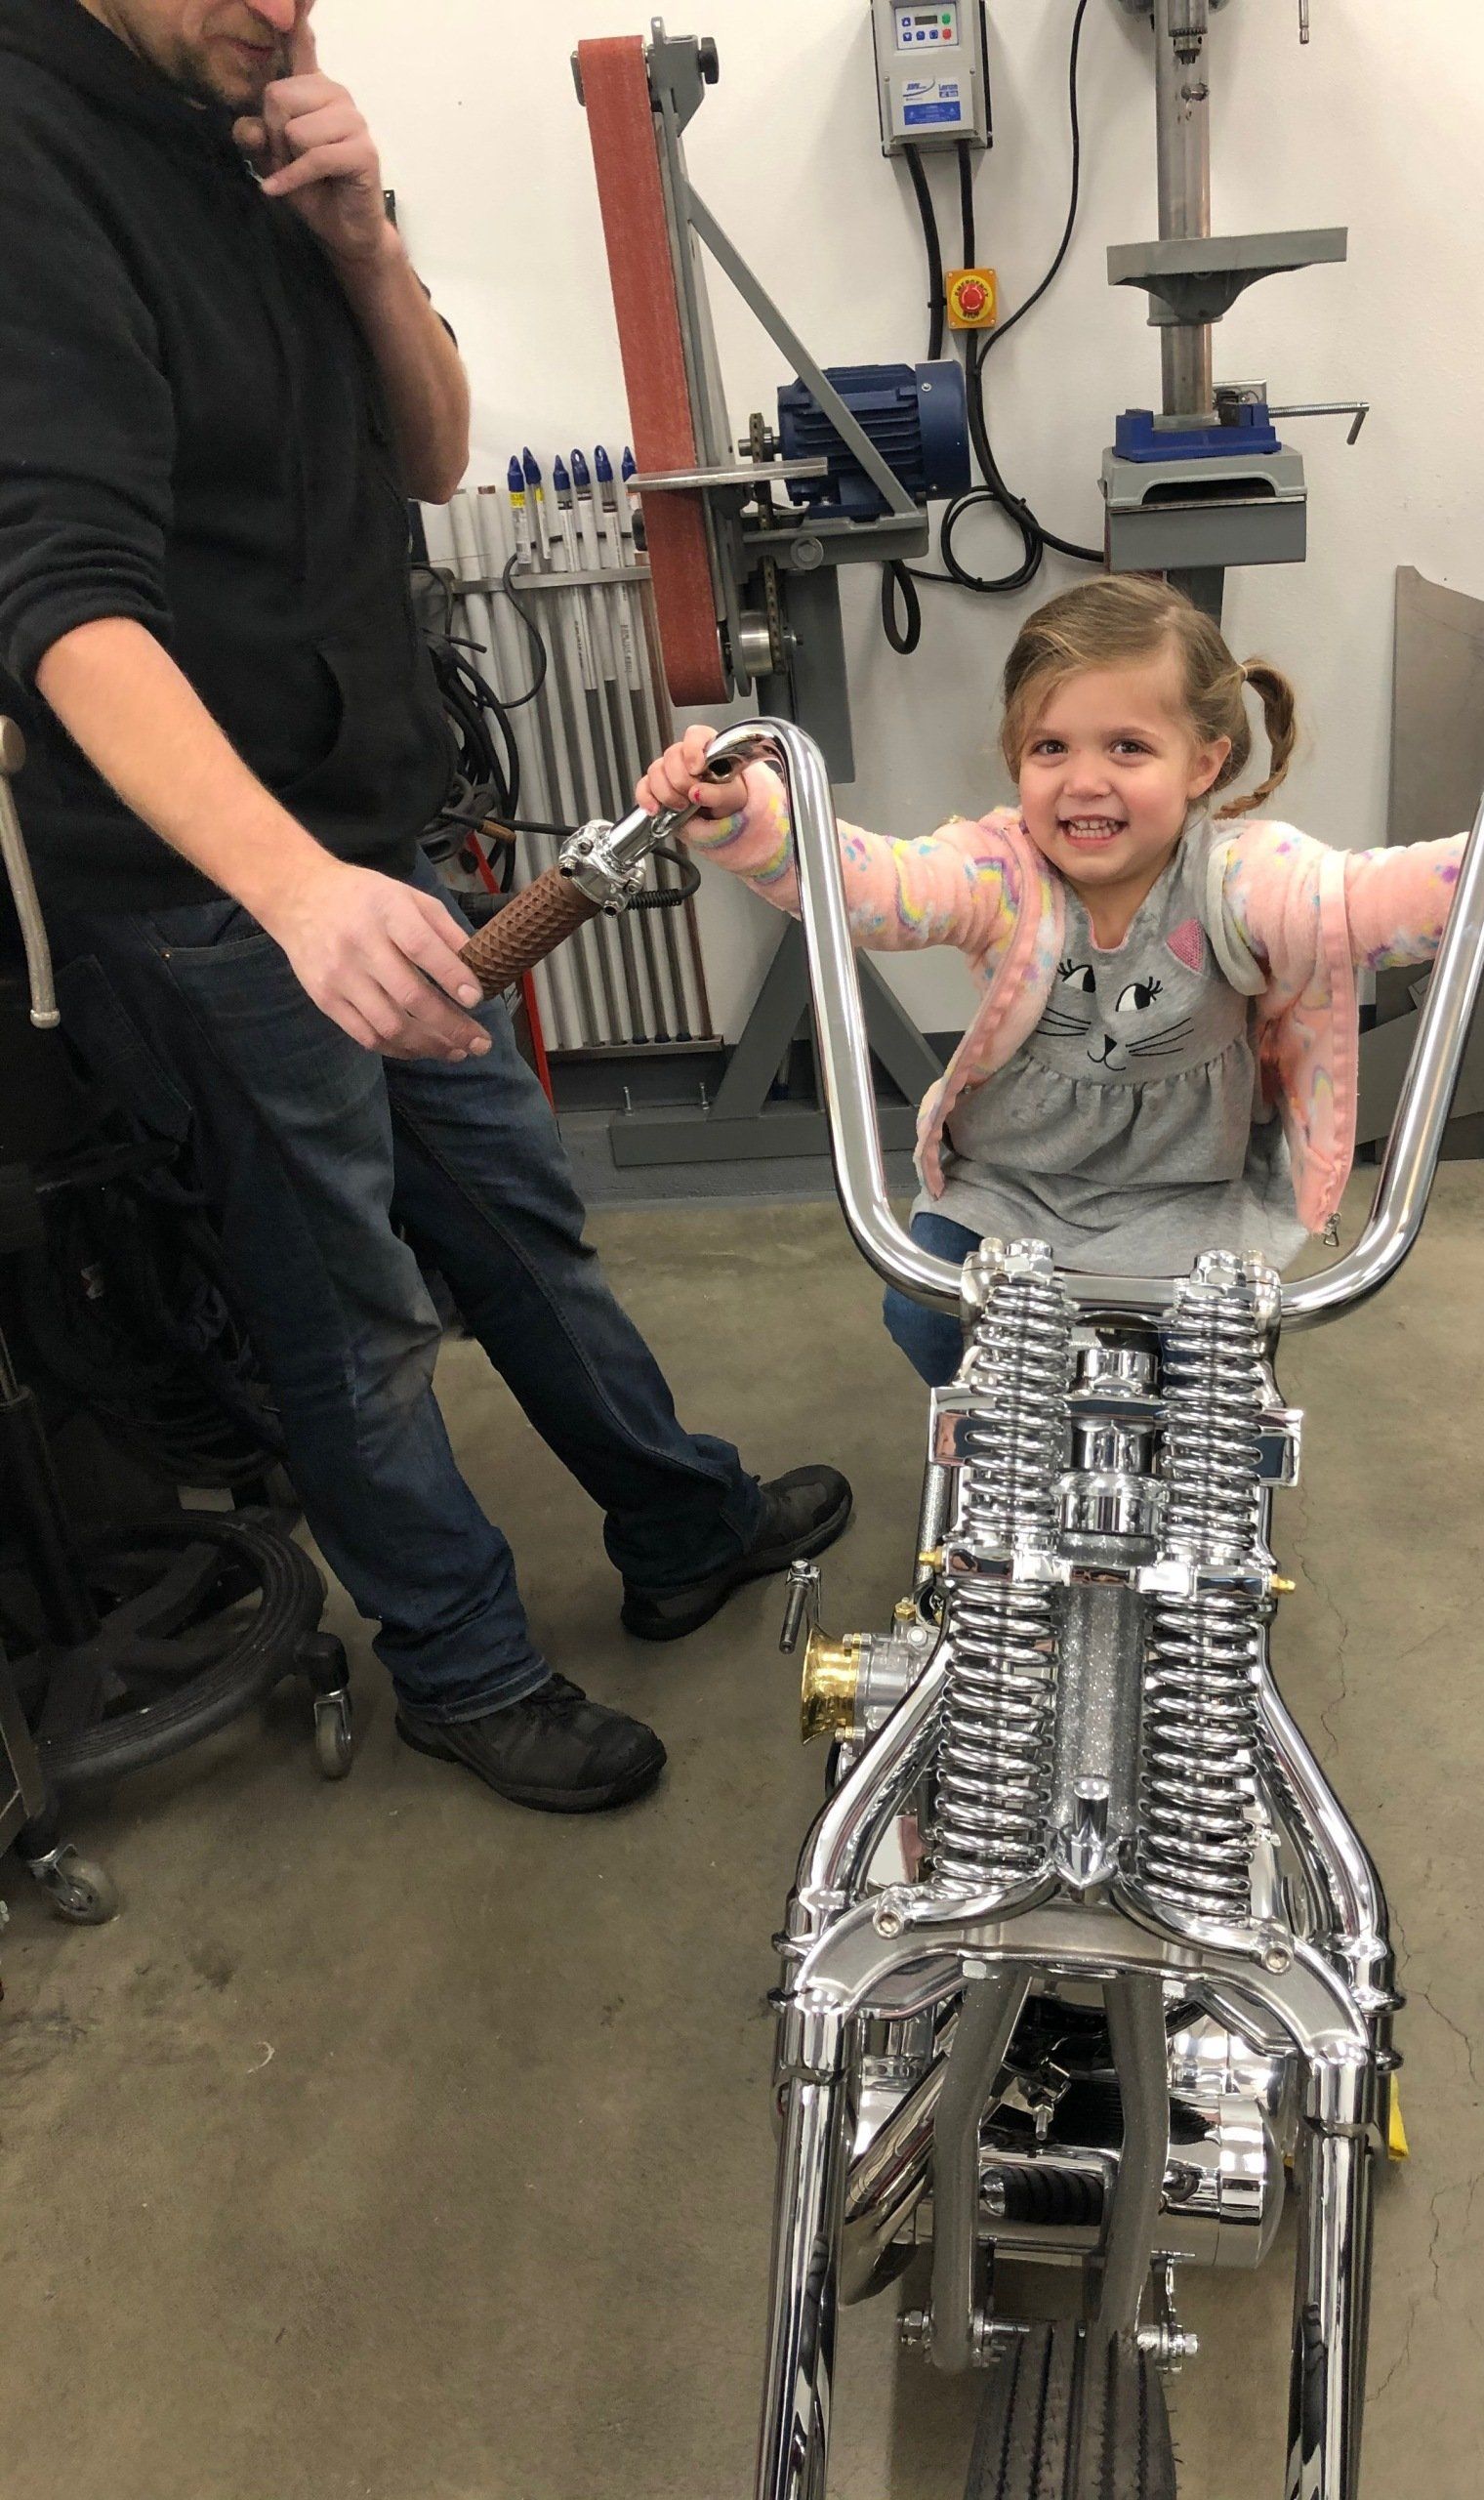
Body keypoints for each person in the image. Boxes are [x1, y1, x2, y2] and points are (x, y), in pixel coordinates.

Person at [0, 0, 850, 1815]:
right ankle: (462, 1669)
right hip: (216, 894)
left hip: (366, 835)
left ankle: (678, 1516)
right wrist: (294, 888)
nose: (286, 12)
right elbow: (64, 599)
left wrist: (365, 240)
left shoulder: (249, 134)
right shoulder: (31, 152)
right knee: (351, 1311)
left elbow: (439, 456)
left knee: (513, 1214)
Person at [639, 574, 1484, 1382]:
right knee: (926, 1317)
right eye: (1050, 748)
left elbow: (1392, 897)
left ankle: (1215, 1564)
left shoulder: (1241, 877)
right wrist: (754, 813)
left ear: (1205, 763)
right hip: (1013, 1192)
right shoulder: (1004, 871)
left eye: (1127, 746)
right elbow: (873, 883)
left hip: (1192, 1204)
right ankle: (993, 1478)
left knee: (1221, 1399)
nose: (1084, 781)